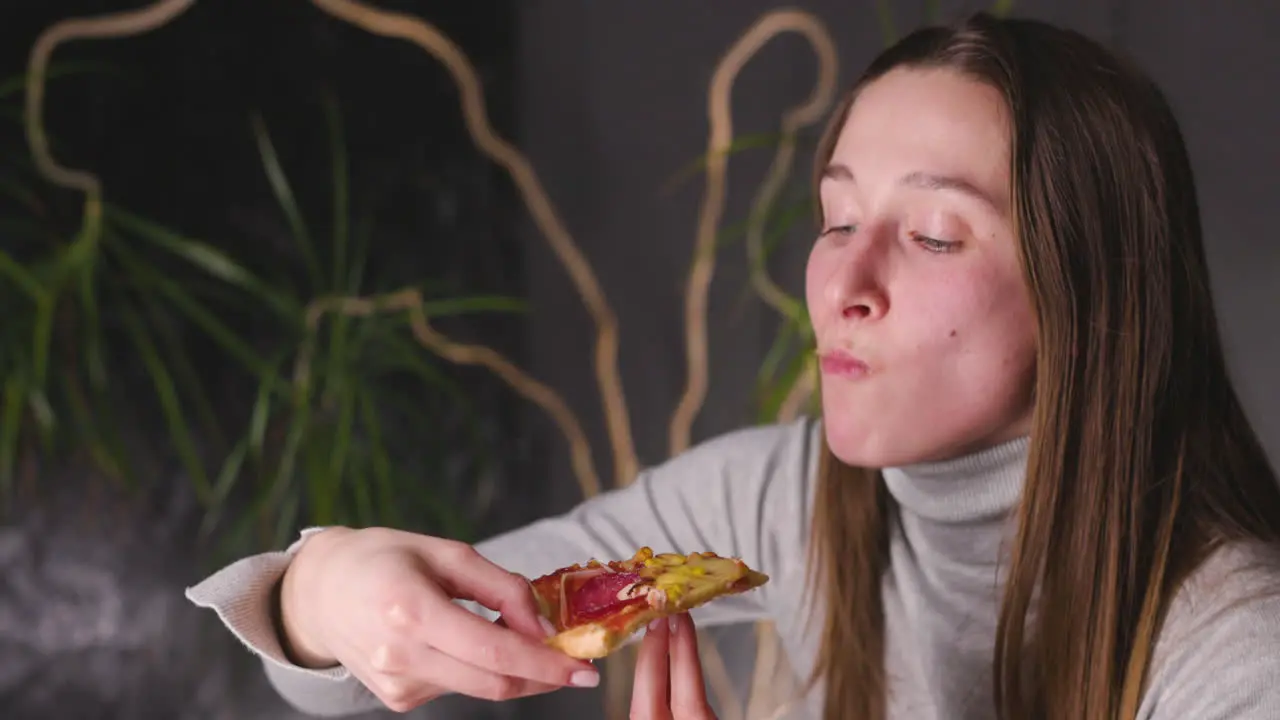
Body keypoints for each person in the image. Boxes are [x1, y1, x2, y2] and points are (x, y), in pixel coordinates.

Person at [186, 12, 1280, 720]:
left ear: (1090, 287)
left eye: (935, 234)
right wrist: (328, 589)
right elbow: (384, 654)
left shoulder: (1238, 651)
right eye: (834, 216)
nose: (841, 279)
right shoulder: (770, 506)